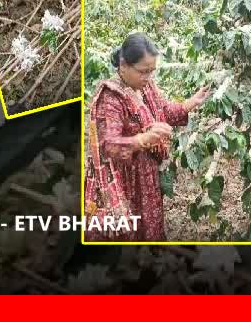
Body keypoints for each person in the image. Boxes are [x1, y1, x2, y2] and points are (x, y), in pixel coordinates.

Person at [86, 33, 210, 241]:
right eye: (143, 72)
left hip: (147, 177)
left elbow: (163, 110)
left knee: (149, 232)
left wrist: (191, 102)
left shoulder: (145, 87)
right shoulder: (111, 97)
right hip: (125, 180)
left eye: (151, 72)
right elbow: (109, 144)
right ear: (124, 65)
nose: (148, 78)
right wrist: (143, 139)